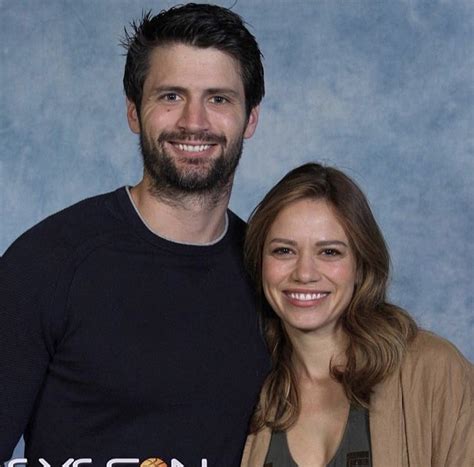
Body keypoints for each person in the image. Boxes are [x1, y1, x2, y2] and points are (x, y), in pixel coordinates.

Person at [0, 4, 269, 465]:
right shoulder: (45, 264)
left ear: (250, 119)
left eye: (219, 98)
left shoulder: (270, 275)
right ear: (133, 112)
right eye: (170, 96)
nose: (194, 121)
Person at [241, 163, 473, 466]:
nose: (305, 273)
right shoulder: (247, 386)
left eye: (329, 252)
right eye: (284, 251)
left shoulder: (434, 371)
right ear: (260, 263)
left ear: (360, 266)